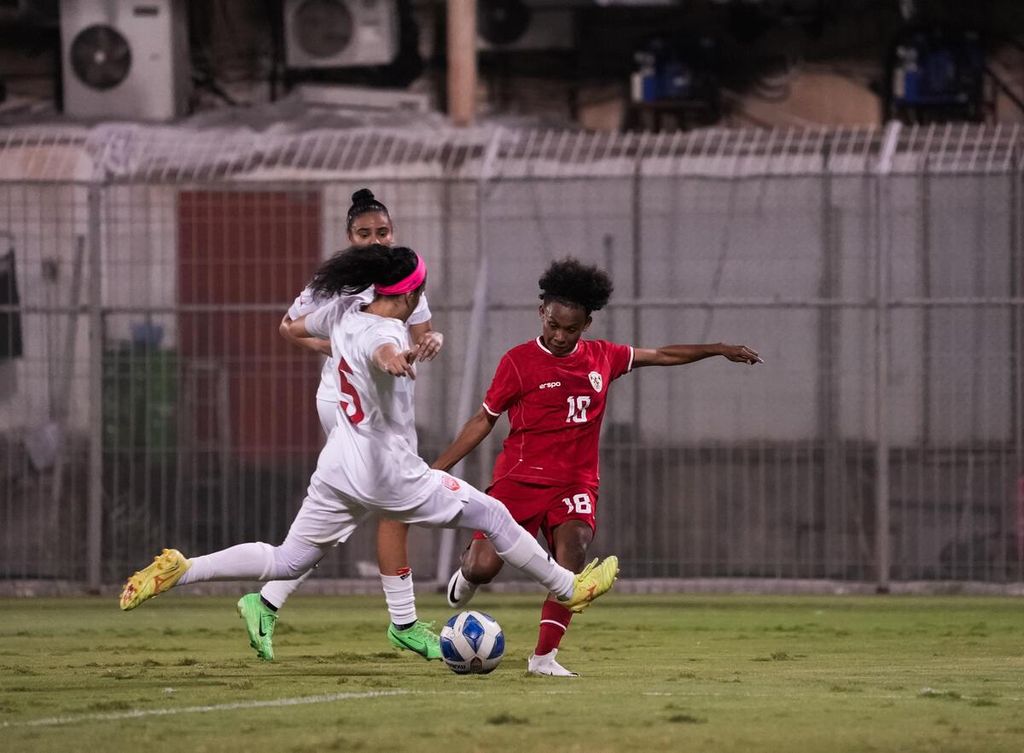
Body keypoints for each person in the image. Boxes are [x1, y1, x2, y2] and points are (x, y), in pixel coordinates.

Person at [120, 246, 620, 650]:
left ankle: (184, 569)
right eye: (419, 295)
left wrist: (394, 350)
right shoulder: (385, 333)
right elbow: (383, 353)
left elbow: (296, 328)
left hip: (339, 462)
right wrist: (397, 359)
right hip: (387, 472)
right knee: (492, 515)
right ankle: (566, 587)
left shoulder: (343, 310)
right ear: (405, 297)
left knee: (289, 559)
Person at [434, 257, 761, 677]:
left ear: (587, 323)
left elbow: (660, 354)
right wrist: (436, 470)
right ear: (542, 313)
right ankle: (468, 574)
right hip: (519, 482)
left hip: (575, 483)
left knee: (574, 552)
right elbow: (483, 419)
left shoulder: (603, 358)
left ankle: (543, 659)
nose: (558, 335)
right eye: (553, 324)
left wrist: (717, 349)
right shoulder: (518, 362)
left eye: (570, 328)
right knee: (483, 567)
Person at [236, 189, 445, 663]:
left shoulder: (402, 278)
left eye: (383, 232)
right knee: (394, 501)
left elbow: (419, 334)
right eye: (365, 233)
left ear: (393, 232)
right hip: (346, 405)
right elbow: (289, 326)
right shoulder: (337, 284)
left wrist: (431, 341)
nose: (375, 240)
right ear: (349, 237)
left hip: (383, 404)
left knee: (350, 509)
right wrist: (338, 348)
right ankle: (405, 623)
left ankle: (267, 601)